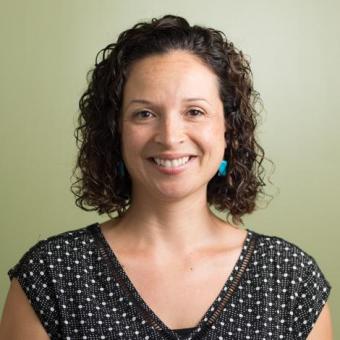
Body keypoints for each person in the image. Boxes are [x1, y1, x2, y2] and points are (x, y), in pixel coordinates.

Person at [0, 14, 333, 340]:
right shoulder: (51, 275)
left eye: (194, 112)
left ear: (228, 130)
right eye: (144, 113)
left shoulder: (291, 278)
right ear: (115, 132)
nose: (171, 137)